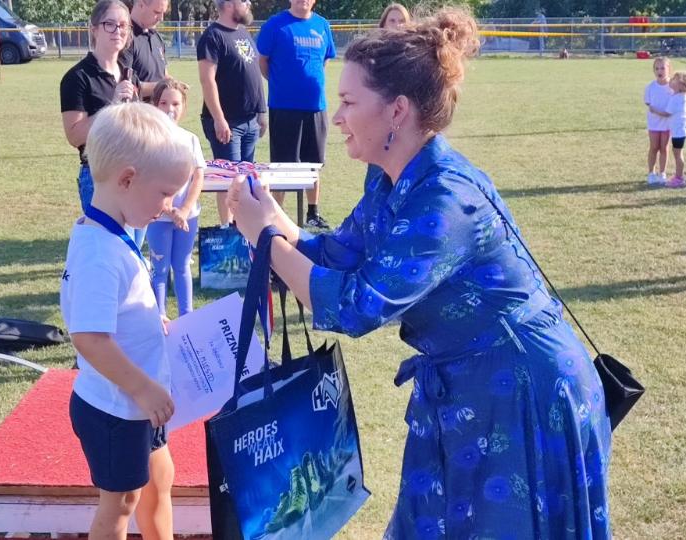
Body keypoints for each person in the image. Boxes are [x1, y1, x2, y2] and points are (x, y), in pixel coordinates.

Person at [229, 8, 611, 537]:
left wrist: (265, 240)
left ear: (397, 111)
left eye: (348, 102)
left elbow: (357, 306)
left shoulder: (445, 199)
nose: (336, 117)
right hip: (469, 385)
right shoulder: (389, 178)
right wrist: (273, 220)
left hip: (524, 391)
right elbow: (339, 254)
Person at [60, 102, 194, 540]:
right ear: (127, 179)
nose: (169, 205)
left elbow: (118, 305)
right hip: (116, 408)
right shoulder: (99, 252)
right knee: (120, 504)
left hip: (137, 403)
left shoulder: (109, 233)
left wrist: (150, 318)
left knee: (160, 479)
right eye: (164, 193)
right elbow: (89, 338)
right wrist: (142, 388)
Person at [60, 2, 141, 240]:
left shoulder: (129, 74)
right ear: (94, 29)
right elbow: (74, 135)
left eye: (124, 25)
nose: (118, 31)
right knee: (107, 247)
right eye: (110, 24)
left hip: (135, 173)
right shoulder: (77, 77)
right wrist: (112, 105)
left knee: (132, 252)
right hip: (100, 176)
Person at [257, 0, 337, 229]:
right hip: (284, 107)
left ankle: (313, 212)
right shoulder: (276, 25)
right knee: (282, 165)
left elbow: (325, 59)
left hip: (315, 106)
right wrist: (282, 83)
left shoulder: (322, 25)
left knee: (313, 164)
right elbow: (263, 61)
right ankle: (277, 213)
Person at [197, 0, 267, 227]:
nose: (248, 4)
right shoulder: (213, 36)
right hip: (228, 123)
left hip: (249, 120)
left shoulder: (243, 33)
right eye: (243, 1)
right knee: (229, 180)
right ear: (228, 4)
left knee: (246, 180)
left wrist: (261, 111)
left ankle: (242, 228)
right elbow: (207, 81)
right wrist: (219, 119)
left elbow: (253, 75)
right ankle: (227, 229)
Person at [147, 78, 207, 318]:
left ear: (183, 107)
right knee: (160, 269)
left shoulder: (190, 139)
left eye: (175, 104)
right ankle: (159, 317)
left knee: (182, 266)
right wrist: (168, 208)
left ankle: (187, 317)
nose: (169, 109)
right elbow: (148, 180)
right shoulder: (147, 140)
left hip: (187, 217)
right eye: (163, 103)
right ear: (155, 105)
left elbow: (198, 177)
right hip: (158, 217)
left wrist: (184, 209)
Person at [121, 0, 170, 99]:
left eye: (163, 13)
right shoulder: (123, 38)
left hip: (158, 107)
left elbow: (164, 73)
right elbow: (124, 85)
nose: (161, 18)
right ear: (141, 5)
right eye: (157, 12)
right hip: (138, 108)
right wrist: (163, 87)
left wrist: (175, 85)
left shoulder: (156, 37)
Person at [664, 71, 686, 188]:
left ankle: (679, 178)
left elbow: (667, 113)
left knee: (678, 154)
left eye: (674, 79)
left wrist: (654, 110)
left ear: (680, 85)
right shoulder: (679, 96)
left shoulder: (676, 98)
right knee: (677, 153)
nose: (670, 80)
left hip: (679, 131)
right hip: (679, 129)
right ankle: (678, 176)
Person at [644, 56, 672, 186]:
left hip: (667, 124)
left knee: (664, 148)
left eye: (662, 68)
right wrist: (656, 111)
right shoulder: (650, 87)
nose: (660, 71)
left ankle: (662, 173)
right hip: (654, 123)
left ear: (669, 69)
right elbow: (649, 104)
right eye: (657, 68)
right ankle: (651, 173)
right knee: (654, 147)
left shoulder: (672, 87)